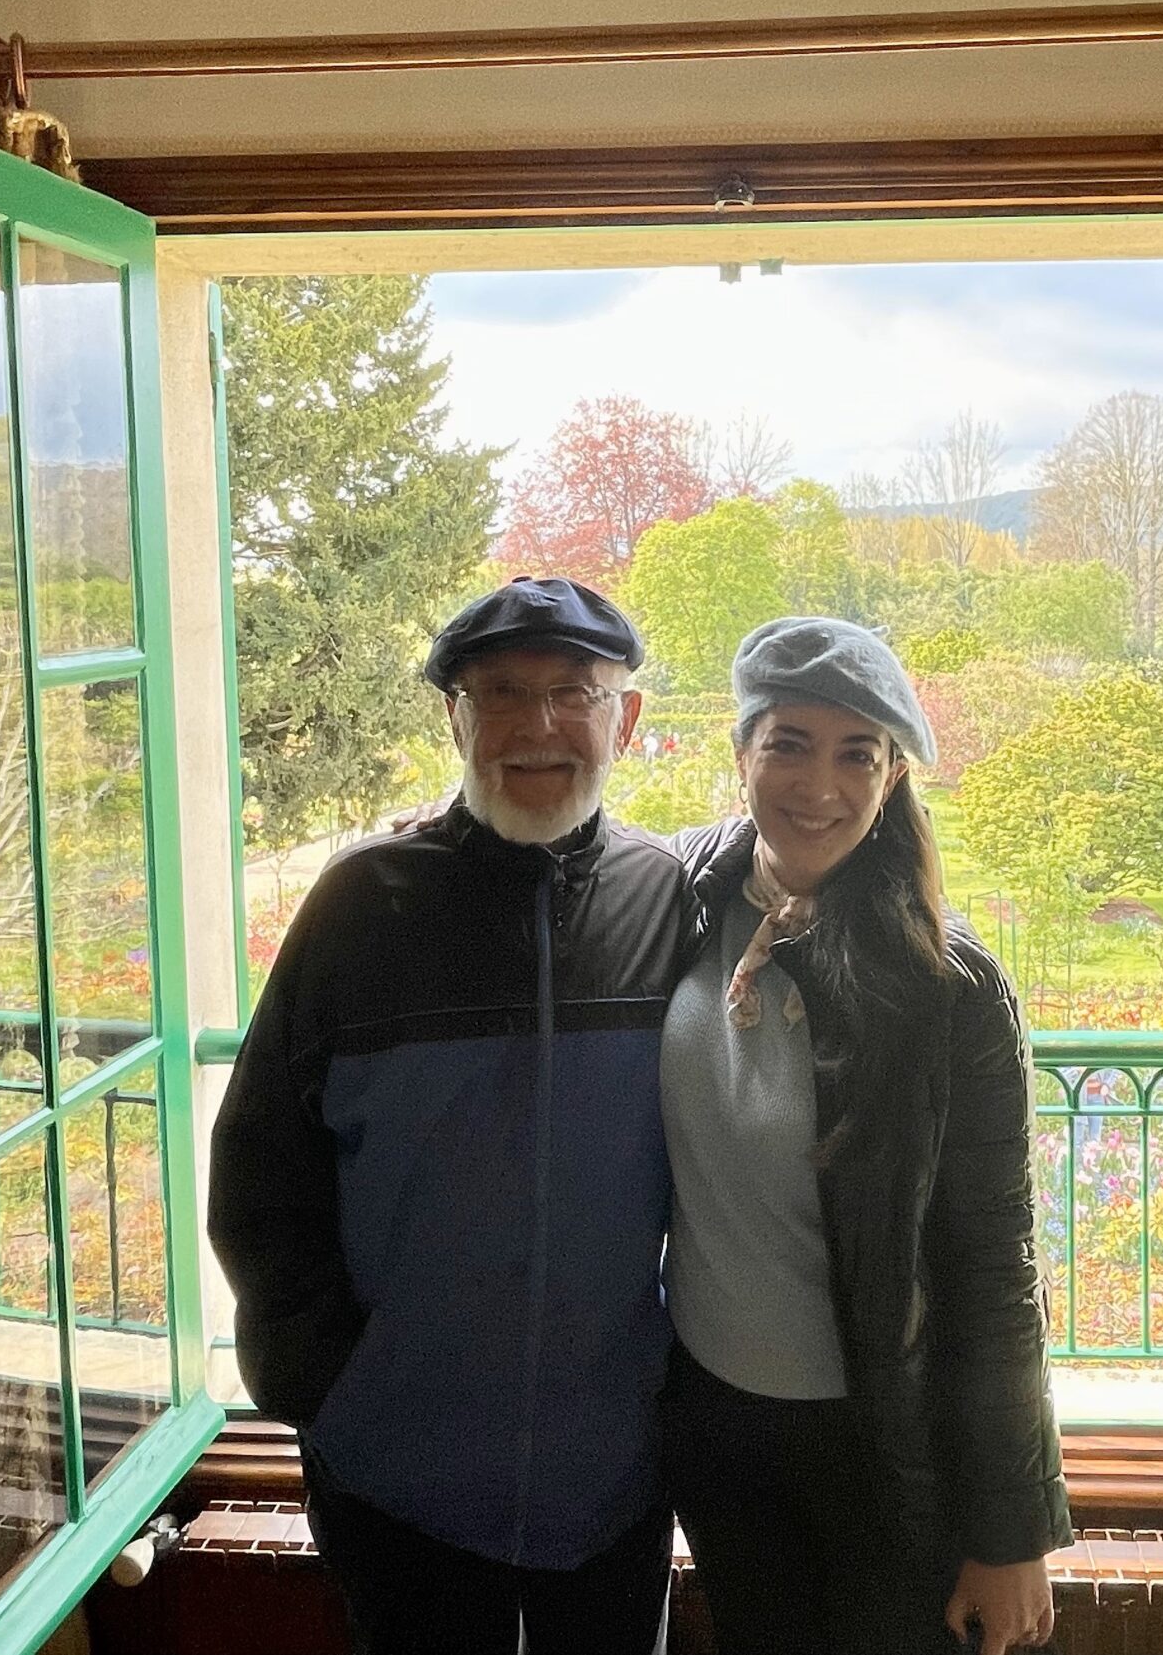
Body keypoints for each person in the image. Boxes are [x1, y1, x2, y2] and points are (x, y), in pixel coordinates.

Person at [209, 576, 689, 1655]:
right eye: (501, 692)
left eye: (573, 691)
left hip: (612, 1466)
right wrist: (333, 1386)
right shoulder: (358, 906)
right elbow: (261, 1167)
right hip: (395, 1467)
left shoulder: (669, 898)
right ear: (454, 718)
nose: (537, 724)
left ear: (626, 718)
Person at [661, 616, 1071, 1655]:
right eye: (789, 744)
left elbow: (995, 1265)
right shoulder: (678, 902)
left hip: (884, 1452)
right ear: (740, 751)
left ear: (892, 777)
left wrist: (1010, 1531)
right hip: (718, 1434)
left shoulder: (946, 985)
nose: (819, 785)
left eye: (857, 753)